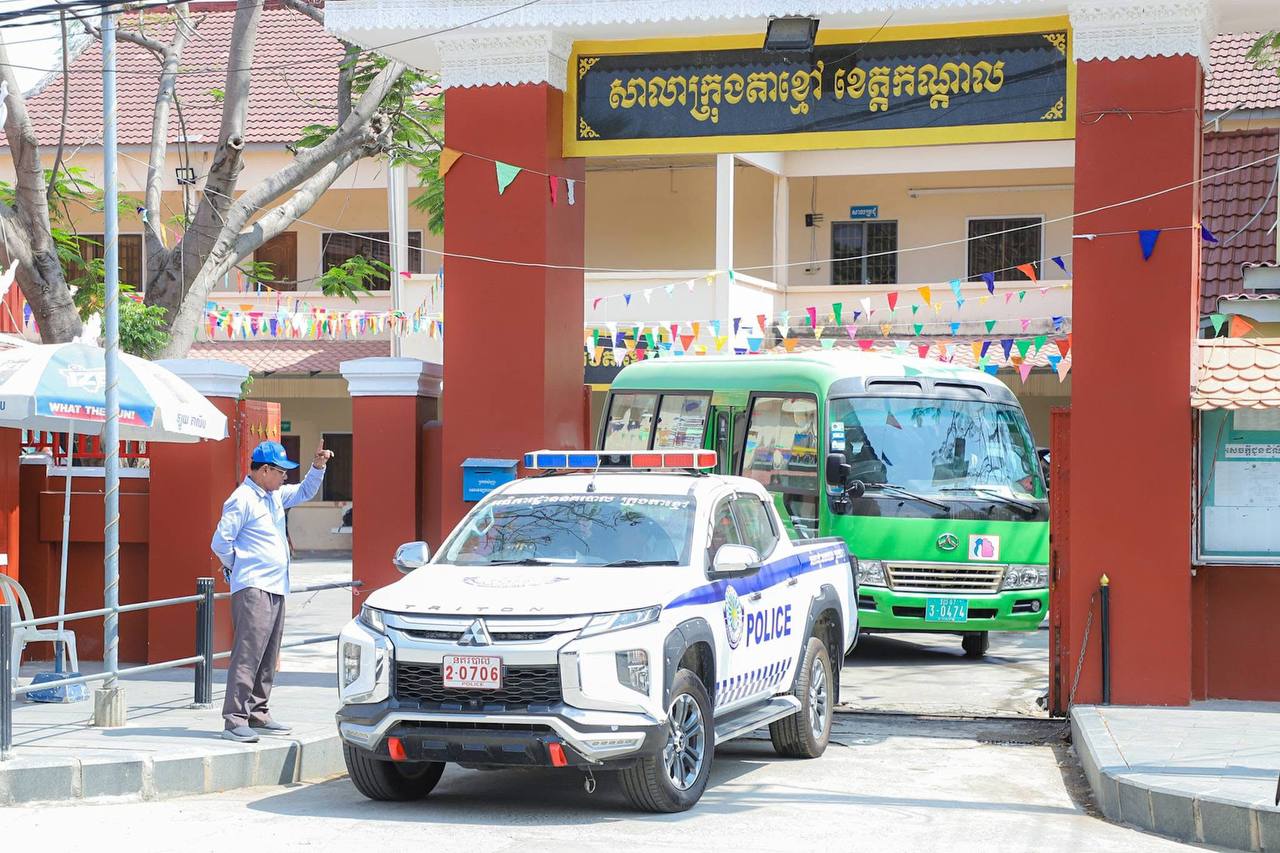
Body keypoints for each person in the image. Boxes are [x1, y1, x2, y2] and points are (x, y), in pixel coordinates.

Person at [210, 439, 333, 743]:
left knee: (268, 655)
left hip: (276, 586)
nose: (284, 477)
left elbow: (304, 491)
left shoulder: (273, 495)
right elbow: (221, 542)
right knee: (248, 654)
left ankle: (258, 712)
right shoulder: (242, 499)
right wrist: (238, 565)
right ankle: (235, 719)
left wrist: (318, 467)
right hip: (254, 586)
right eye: (280, 472)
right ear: (264, 470)